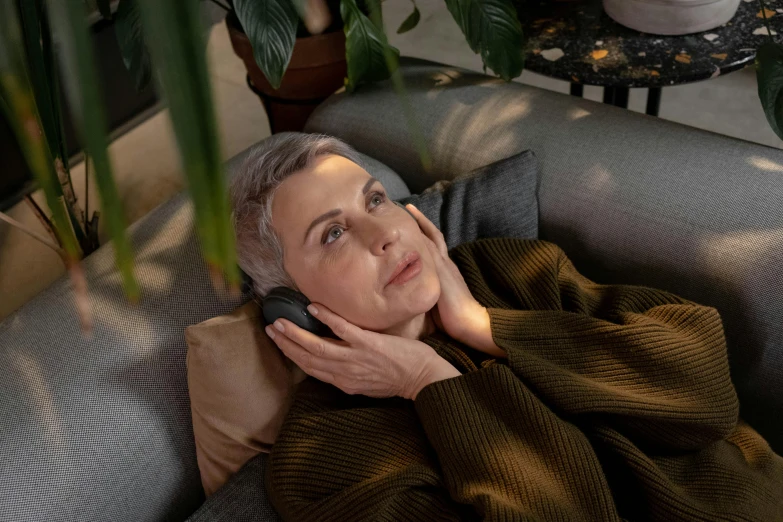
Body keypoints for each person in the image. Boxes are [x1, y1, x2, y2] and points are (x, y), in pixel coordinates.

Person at [229, 133, 783, 521]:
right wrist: (433, 383)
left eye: (376, 199)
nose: (385, 233)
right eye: (332, 234)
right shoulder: (325, 460)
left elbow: (706, 390)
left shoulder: (504, 270)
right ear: (292, 305)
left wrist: (485, 325)